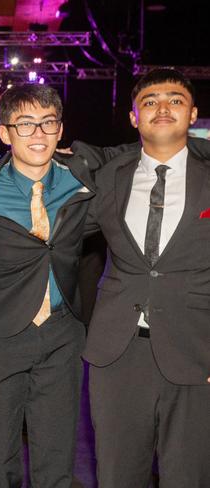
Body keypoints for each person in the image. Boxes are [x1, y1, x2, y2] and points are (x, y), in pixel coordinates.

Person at [77, 68, 210, 487]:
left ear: (193, 114)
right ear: (135, 118)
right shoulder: (106, 179)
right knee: (117, 475)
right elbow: (56, 239)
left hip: (197, 351)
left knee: (189, 476)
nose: (163, 107)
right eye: (150, 101)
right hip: (117, 355)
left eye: (175, 99)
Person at [0, 84, 97, 488]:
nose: (38, 134)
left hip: (63, 334)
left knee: (57, 458)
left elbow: (135, 155)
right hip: (1, 336)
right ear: (5, 133)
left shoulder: (86, 184)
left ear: (60, 130)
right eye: (25, 124)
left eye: (47, 123)